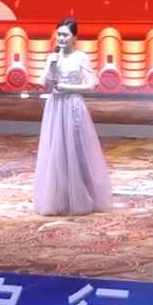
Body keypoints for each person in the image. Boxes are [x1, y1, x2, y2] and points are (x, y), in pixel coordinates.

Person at [33, 18, 115, 216]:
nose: (61, 38)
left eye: (65, 35)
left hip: (73, 105)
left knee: (75, 149)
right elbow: (44, 83)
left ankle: (82, 195)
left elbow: (91, 85)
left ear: (74, 37)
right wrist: (52, 65)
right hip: (55, 106)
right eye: (59, 34)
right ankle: (58, 198)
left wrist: (68, 88)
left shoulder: (81, 58)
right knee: (55, 150)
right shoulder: (52, 57)